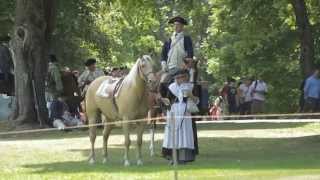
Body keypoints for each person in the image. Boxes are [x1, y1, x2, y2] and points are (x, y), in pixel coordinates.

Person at [162, 69, 198, 164]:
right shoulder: (171, 87)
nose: (180, 79)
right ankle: (173, 158)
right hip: (173, 112)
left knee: (184, 135)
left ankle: (183, 158)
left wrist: (191, 96)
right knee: (173, 136)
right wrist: (165, 102)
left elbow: (197, 101)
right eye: (178, 78)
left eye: (182, 77)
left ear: (185, 77)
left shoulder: (190, 86)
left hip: (185, 113)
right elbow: (168, 101)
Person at [160, 16, 194, 83]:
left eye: (178, 25)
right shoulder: (168, 40)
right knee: (162, 83)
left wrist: (186, 64)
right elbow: (163, 54)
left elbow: (190, 53)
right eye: (174, 25)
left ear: (182, 26)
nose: (175, 27)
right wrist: (163, 64)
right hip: (170, 68)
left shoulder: (187, 39)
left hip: (182, 68)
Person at [45, 54, 63, 119]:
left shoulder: (47, 68)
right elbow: (57, 79)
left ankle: (50, 117)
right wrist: (60, 89)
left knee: (49, 104)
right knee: (54, 103)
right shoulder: (54, 68)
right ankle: (53, 118)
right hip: (53, 89)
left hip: (47, 89)